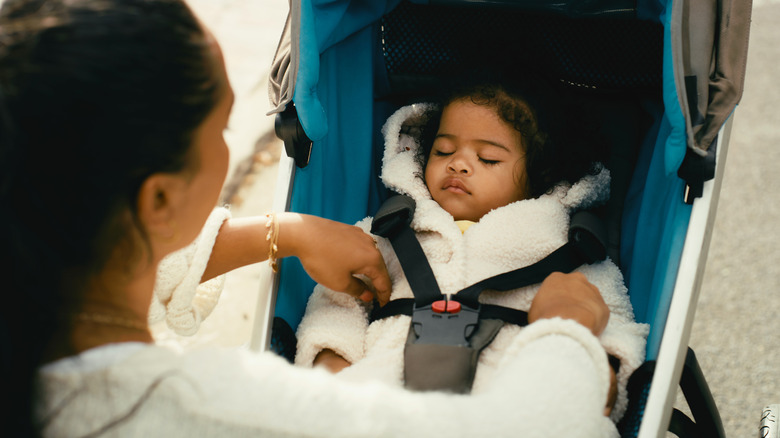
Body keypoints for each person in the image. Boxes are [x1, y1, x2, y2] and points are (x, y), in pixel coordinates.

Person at [0, 1, 620, 436]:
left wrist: (285, 231)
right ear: (159, 201)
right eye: (219, 128)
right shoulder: (227, 414)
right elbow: (533, 429)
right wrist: (564, 334)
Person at [295, 71, 649, 427]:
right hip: (382, 401)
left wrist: (602, 366)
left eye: (489, 159)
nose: (458, 163)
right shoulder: (388, 231)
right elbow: (337, 301)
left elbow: (610, 316)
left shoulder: (566, 247)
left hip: (516, 405)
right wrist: (330, 361)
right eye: (443, 150)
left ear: (541, 175)